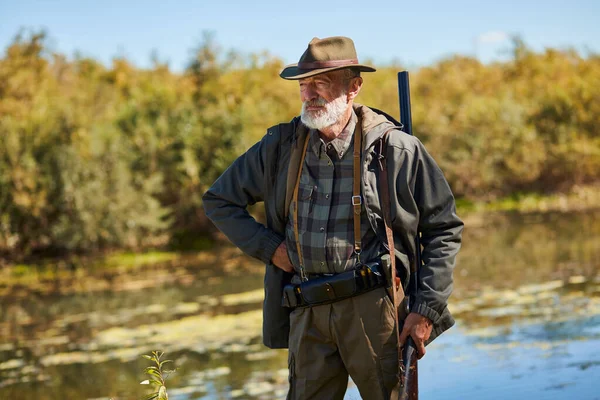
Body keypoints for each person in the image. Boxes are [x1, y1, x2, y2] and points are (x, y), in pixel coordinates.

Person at [202, 36, 463, 400]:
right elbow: (218, 200)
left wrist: (426, 310)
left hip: (376, 311)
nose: (309, 94)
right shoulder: (280, 147)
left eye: (320, 83)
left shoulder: (397, 150)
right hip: (306, 309)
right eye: (303, 85)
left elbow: (443, 231)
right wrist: (272, 249)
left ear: (354, 86)